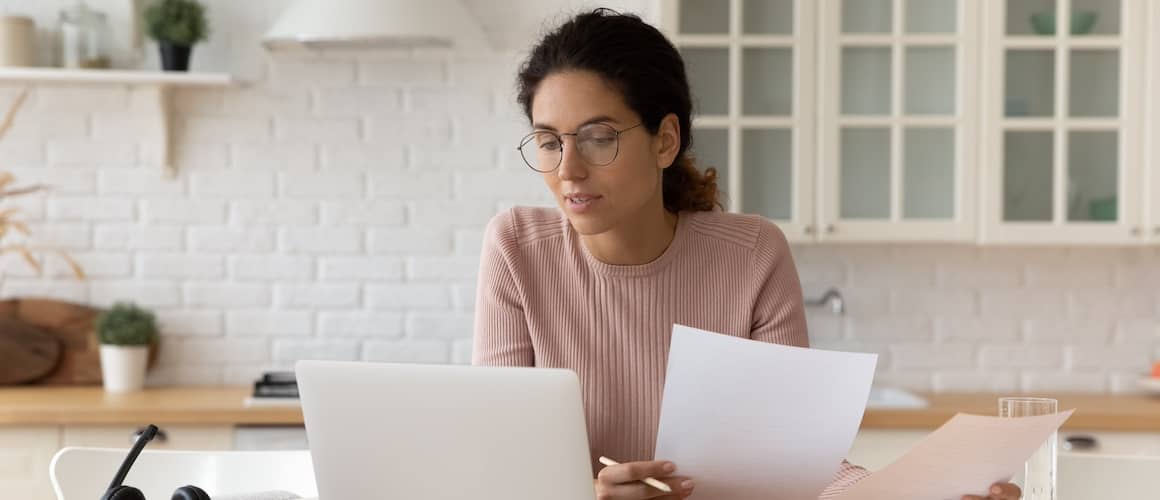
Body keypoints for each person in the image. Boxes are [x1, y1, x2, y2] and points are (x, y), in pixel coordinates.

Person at [472, 8, 1021, 500]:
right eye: (549, 141)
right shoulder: (518, 249)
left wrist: (920, 497)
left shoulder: (752, 256)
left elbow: (803, 469)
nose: (568, 169)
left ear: (665, 140)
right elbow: (498, 468)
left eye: (597, 136)